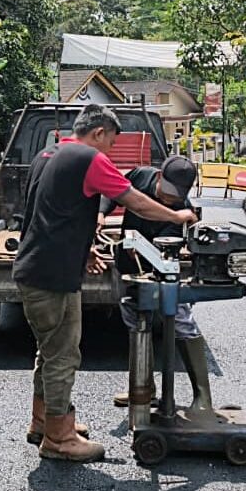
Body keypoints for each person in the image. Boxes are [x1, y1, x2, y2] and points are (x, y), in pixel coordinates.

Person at [13, 105, 198, 462]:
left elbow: (48, 213)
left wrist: (84, 252)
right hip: (52, 278)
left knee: (49, 351)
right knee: (64, 355)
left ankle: (44, 422)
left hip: (34, 270)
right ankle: (59, 439)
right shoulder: (88, 158)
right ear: (98, 133)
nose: (111, 151)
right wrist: (177, 214)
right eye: (111, 143)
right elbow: (136, 203)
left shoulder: (48, 153)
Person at [99, 156, 219, 420]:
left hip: (163, 273)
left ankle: (203, 398)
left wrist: (148, 250)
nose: (170, 200)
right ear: (159, 176)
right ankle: (143, 389)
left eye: (175, 197)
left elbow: (170, 246)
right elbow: (113, 193)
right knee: (136, 322)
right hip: (130, 270)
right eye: (167, 193)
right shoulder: (140, 176)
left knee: (182, 322)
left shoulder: (183, 210)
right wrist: (100, 213)